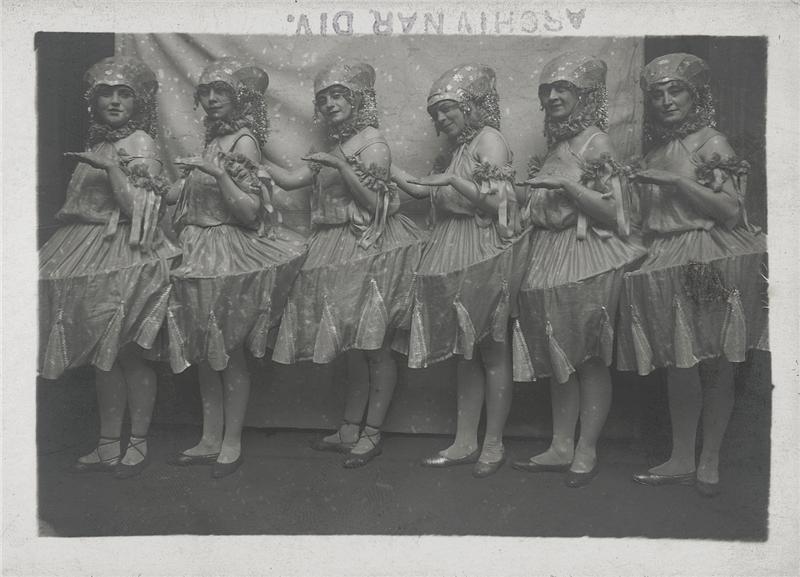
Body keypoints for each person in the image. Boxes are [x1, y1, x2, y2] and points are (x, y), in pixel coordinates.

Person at [616, 53, 768, 497]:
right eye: (657, 94)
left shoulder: (711, 142)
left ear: (695, 95)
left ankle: (710, 459)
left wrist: (678, 183)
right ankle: (682, 456)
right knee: (679, 364)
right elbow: (644, 219)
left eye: (675, 91)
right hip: (665, 257)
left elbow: (730, 211)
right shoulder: (655, 152)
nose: (666, 101)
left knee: (715, 362)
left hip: (708, 254)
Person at [263, 61, 426, 468]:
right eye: (323, 98)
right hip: (336, 247)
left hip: (368, 247)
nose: (330, 104)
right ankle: (351, 427)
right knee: (353, 346)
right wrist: (253, 158)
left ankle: (372, 432)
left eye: (338, 95)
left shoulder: (372, 144)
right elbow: (292, 179)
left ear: (358, 100)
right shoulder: (339, 144)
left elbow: (377, 206)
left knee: (375, 346)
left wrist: (340, 167)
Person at [39, 56, 181, 478]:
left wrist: (112, 170)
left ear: (138, 103)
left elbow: (140, 209)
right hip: (88, 250)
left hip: (125, 254)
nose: (114, 101)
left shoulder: (140, 143)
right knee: (104, 356)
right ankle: (106, 444)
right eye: (106, 94)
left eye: (124, 94)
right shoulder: (101, 142)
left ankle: (137, 441)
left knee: (129, 356)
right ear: (94, 101)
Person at [510, 53, 647, 488]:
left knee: (587, 356)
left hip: (583, 255)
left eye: (562, 89)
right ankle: (560, 445)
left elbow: (616, 214)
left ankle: (586, 448)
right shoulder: (556, 146)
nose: (552, 97)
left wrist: (566, 186)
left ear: (584, 96)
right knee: (559, 354)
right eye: (547, 91)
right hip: (546, 256)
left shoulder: (596, 144)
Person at [165, 58, 306, 478]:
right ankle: (210, 437)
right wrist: (157, 185)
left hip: (226, 252)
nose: (211, 99)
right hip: (198, 250)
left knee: (229, 350)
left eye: (220, 92)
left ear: (239, 98)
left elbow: (248, 212)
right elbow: (184, 193)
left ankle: (231, 441)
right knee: (205, 351)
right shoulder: (214, 139)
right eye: (205, 92)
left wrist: (218, 175)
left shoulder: (244, 143)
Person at [391, 64, 529, 478]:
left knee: (492, 347)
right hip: (451, 248)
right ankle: (465, 440)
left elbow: (500, 204)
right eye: (436, 113)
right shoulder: (458, 148)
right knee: (466, 351)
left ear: (470, 105)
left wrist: (453, 180)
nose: (441, 118)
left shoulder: (489, 140)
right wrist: (387, 170)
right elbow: (426, 188)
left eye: (448, 108)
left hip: (483, 248)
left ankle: (493, 443)